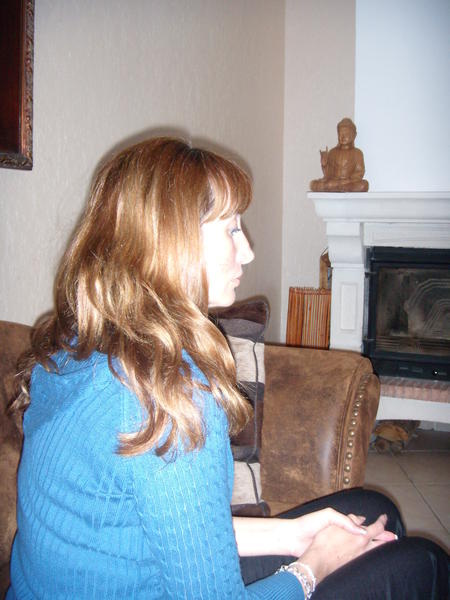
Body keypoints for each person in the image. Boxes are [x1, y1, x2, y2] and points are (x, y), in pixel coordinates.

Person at [8, 137, 448, 599]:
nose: (248, 251)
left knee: (372, 510)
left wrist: (295, 534)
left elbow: (166, 528)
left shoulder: (72, 348)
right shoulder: (169, 395)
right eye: (231, 229)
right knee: (423, 563)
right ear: (173, 243)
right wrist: (313, 566)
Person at [310, 118, 369, 192]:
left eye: (346, 134)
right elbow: (328, 175)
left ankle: (337, 188)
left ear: (354, 135)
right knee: (313, 184)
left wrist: (346, 181)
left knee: (364, 185)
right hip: (334, 182)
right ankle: (339, 188)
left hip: (347, 182)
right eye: (340, 134)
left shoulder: (357, 153)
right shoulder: (332, 152)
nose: (343, 137)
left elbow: (359, 172)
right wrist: (324, 164)